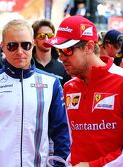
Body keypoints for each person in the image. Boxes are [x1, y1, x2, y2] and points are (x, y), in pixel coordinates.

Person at [0, 19, 70, 167]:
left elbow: (61, 132)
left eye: (25, 45)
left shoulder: (51, 83)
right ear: (3, 47)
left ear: (33, 44)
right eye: (12, 46)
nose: (19, 52)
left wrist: (60, 164)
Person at [44, 15, 123, 167]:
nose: (61, 58)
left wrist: (91, 165)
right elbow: (76, 141)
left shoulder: (120, 81)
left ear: (89, 47)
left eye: (67, 50)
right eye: (58, 51)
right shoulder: (69, 87)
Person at [32, 19, 71, 87]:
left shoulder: (63, 67)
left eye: (50, 36)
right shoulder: (27, 66)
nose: (47, 39)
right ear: (34, 40)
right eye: (41, 36)